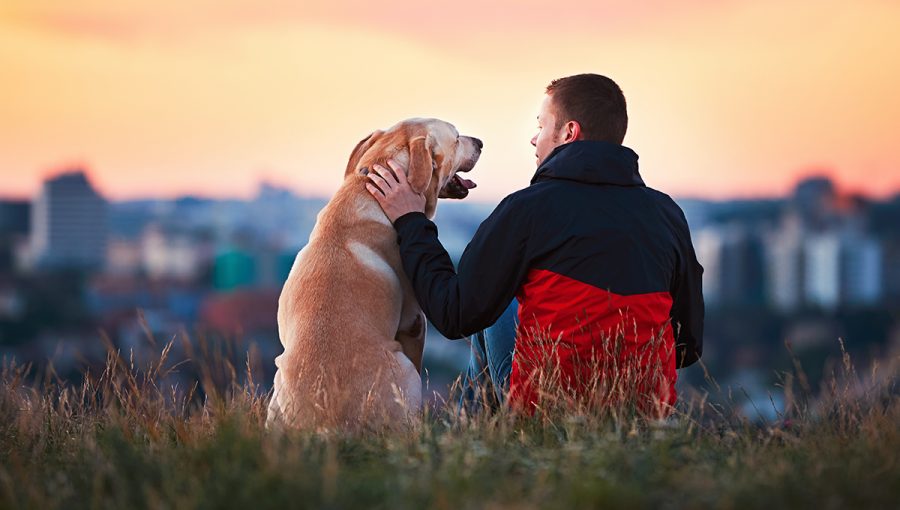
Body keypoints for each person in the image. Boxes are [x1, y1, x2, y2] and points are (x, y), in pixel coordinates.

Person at [365, 73, 704, 417]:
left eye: (541, 126)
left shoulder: (527, 209)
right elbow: (687, 345)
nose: (533, 138)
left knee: (491, 306)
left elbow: (453, 314)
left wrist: (410, 220)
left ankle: (472, 442)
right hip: (644, 413)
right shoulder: (667, 215)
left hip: (549, 410)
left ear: (569, 133)